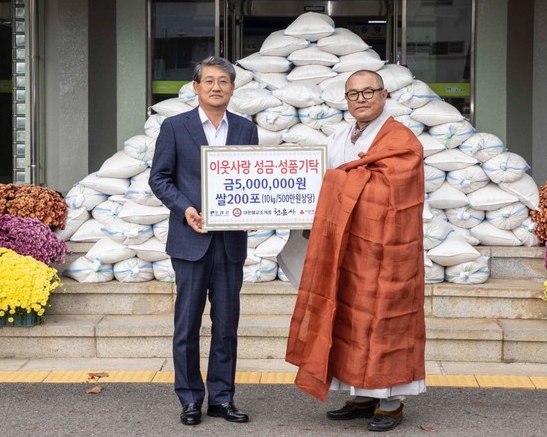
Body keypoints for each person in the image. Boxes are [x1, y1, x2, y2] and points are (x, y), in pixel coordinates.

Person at [286, 69, 426, 432]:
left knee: (383, 320)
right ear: (345, 100)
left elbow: (390, 190)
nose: (361, 98)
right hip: (345, 249)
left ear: (384, 95)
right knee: (348, 318)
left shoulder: (401, 139)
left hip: (386, 251)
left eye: (369, 91)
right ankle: (361, 395)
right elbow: (322, 183)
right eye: (353, 94)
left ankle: (391, 402)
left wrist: (339, 181)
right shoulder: (337, 137)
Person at [149, 56, 259, 426]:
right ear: (195, 87)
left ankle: (222, 398)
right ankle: (191, 398)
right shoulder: (175, 127)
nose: (216, 87)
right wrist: (185, 209)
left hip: (230, 243)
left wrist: (258, 211)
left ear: (232, 88)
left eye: (224, 81)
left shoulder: (245, 129)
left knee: (226, 325)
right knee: (188, 324)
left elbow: (252, 181)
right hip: (190, 240)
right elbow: (160, 178)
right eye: (209, 81)